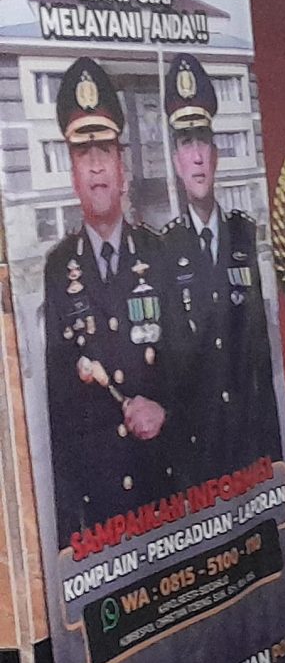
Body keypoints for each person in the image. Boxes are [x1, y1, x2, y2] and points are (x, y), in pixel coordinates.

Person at [42, 56, 179, 542]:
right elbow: (58, 411)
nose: (96, 164)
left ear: (123, 169)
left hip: (167, 492)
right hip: (101, 513)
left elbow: (195, 369)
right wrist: (71, 535)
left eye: (105, 149)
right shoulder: (58, 270)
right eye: (83, 153)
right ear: (73, 174)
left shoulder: (160, 255)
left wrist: (166, 411)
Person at [156, 52, 281, 484]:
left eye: (203, 143)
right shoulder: (164, 250)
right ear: (176, 160)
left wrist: (274, 454)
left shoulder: (244, 236)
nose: (196, 157)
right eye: (185, 143)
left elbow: (262, 355)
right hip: (199, 455)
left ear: (216, 154)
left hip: (251, 442)